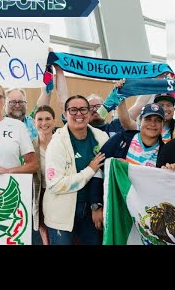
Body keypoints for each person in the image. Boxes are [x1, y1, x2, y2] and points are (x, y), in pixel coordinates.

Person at [43, 95, 108, 245]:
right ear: (65, 114)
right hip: (61, 213)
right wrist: (89, 170)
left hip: (91, 211)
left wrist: (97, 205)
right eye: (73, 110)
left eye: (83, 109)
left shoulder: (101, 137)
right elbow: (55, 184)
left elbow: (105, 173)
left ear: (90, 112)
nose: (79, 114)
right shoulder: (57, 143)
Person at [100, 101, 165, 166]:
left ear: (163, 124)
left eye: (158, 120)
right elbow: (99, 163)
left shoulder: (166, 151)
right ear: (140, 120)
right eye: (148, 119)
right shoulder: (121, 138)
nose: (153, 124)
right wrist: (114, 163)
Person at [32, 105, 57, 245]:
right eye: (40, 119)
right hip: (41, 194)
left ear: (54, 121)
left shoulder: (63, 142)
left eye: (48, 119)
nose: (44, 123)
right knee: (45, 235)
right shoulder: (30, 146)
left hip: (62, 192)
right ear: (34, 122)